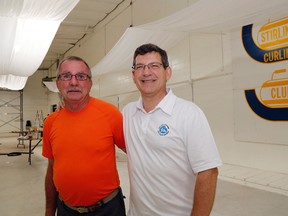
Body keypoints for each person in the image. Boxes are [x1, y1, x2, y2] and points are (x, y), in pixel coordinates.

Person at [122, 43, 222, 216]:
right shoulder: (127, 113)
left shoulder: (189, 113)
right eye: (140, 67)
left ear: (167, 72)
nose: (146, 72)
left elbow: (208, 172)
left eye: (154, 66)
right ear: (133, 75)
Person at [42, 56, 126, 216]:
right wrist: (49, 210)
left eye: (81, 76)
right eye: (66, 76)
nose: (74, 82)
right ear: (58, 83)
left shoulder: (110, 114)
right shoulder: (51, 122)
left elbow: (137, 154)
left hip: (108, 209)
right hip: (66, 210)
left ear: (90, 83)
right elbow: (52, 169)